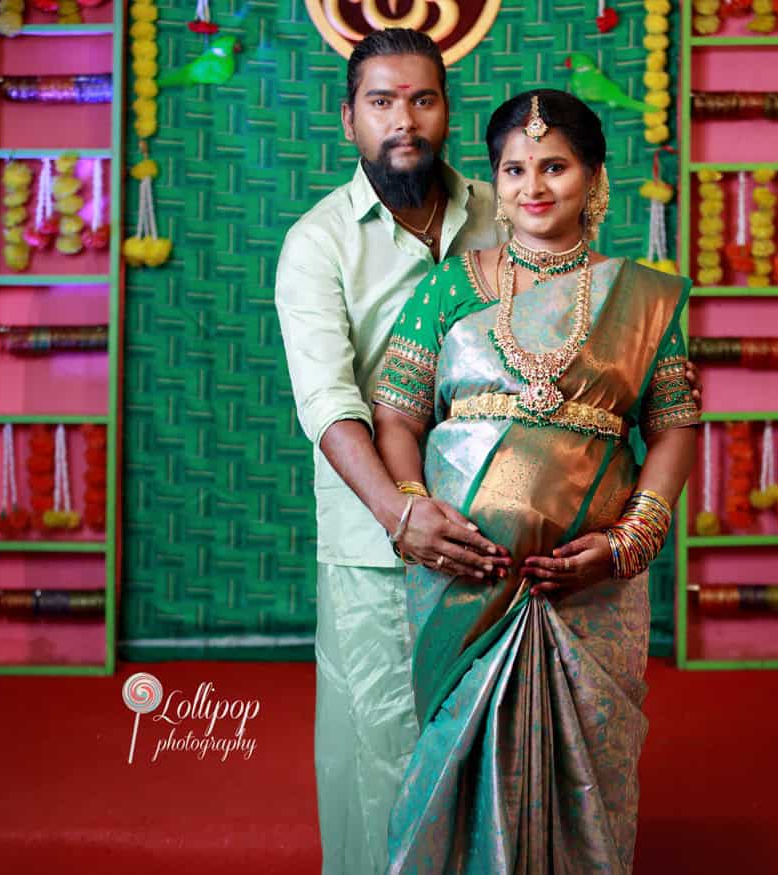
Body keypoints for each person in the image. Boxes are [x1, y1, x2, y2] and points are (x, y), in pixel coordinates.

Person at [372, 89, 699, 873]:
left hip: (589, 584)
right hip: (465, 576)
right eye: (513, 168)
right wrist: (415, 514)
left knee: (587, 759)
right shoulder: (452, 285)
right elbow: (396, 416)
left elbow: (675, 425)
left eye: (554, 165)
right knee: (452, 750)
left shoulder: (642, 298)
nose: (533, 185)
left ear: (594, 177)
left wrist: (631, 538)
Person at [274, 28, 513, 875]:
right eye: (381, 102)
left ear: (447, 110)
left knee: (492, 752)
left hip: (499, 537)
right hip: (377, 542)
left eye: (421, 99)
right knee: (380, 760)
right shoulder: (319, 244)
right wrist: (397, 511)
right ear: (349, 120)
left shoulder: (502, 212)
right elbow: (329, 402)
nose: (402, 121)